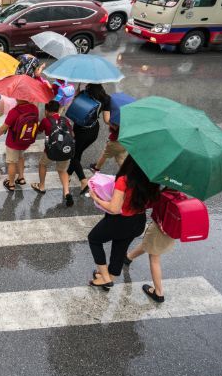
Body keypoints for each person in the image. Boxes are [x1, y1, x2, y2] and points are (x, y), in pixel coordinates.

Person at [87, 156, 160, 290]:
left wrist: (95, 198)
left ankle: (105, 278)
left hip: (120, 221)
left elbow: (114, 208)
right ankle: (111, 276)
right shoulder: (153, 180)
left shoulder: (124, 180)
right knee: (120, 248)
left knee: (94, 239)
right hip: (139, 220)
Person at [68, 83, 111, 195]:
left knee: (73, 155)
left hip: (80, 130)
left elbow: (74, 107)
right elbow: (107, 120)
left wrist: (77, 92)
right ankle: (67, 175)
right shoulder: (106, 99)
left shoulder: (83, 94)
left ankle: (83, 181)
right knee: (78, 153)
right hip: (93, 131)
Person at [0, 99, 39, 192]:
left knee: (11, 162)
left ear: (18, 98)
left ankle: (11, 183)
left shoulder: (14, 111)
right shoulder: (34, 108)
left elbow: (4, 127)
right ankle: (21, 178)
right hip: (26, 140)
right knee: (21, 157)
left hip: (13, 142)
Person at [32, 100, 73, 206]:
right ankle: (67, 192)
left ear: (46, 111)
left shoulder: (46, 120)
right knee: (62, 171)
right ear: (58, 109)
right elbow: (71, 133)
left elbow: (39, 131)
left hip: (51, 151)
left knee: (42, 164)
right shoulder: (65, 120)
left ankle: (41, 186)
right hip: (65, 149)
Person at [125, 216, 174, 303]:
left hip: (162, 224)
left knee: (154, 257)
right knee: (149, 242)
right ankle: (129, 257)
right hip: (174, 224)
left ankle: (159, 293)